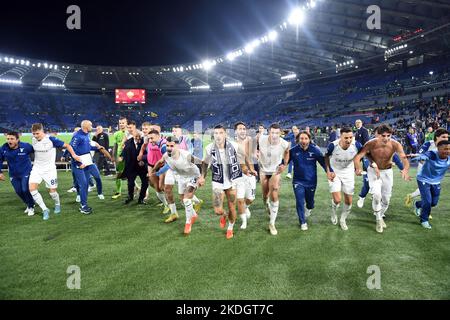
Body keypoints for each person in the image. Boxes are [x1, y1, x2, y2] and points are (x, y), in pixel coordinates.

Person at [354, 124, 410, 233]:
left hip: (387, 172)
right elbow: (358, 157)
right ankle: (379, 220)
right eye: (383, 135)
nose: (386, 138)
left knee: (386, 200)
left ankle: (379, 214)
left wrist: (405, 169)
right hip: (373, 172)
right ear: (377, 135)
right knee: (376, 195)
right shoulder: (370, 144)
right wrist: (358, 168)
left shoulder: (395, 144)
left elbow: (403, 158)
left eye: (388, 135)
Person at [152, 136, 205, 235]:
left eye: (172, 146)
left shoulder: (186, 155)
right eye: (167, 145)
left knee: (186, 199)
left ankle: (188, 223)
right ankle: (194, 213)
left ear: (177, 146)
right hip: (181, 177)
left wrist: (202, 177)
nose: (169, 148)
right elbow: (160, 162)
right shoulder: (166, 155)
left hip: (193, 176)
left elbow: (202, 163)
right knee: (182, 199)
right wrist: (154, 170)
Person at [29, 123, 80, 220]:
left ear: (42, 131)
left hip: (49, 170)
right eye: (33, 134)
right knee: (32, 189)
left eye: (37, 133)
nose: (35, 136)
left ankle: (57, 204)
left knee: (52, 192)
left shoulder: (51, 139)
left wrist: (73, 155)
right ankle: (45, 209)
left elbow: (68, 146)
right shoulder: (33, 139)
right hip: (37, 169)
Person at [202, 125, 242, 239]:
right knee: (217, 210)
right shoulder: (209, 148)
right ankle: (223, 215)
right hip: (217, 180)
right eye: (216, 133)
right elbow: (205, 163)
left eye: (220, 133)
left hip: (232, 179)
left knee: (232, 207)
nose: (218, 135)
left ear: (225, 134)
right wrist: (202, 177)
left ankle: (230, 228)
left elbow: (244, 156)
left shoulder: (234, 145)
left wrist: (248, 168)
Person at [70, 120, 112, 214]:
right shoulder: (77, 136)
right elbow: (71, 149)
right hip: (79, 164)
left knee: (96, 177)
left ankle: (98, 193)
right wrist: (78, 163)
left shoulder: (86, 135)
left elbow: (86, 147)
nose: (92, 126)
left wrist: (98, 148)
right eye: (90, 125)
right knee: (83, 184)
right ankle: (83, 206)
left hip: (88, 162)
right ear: (85, 126)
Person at [325, 127, 362, 231]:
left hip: (348, 173)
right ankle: (333, 213)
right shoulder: (333, 145)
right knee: (337, 199)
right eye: (346, 138)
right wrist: (328, 171)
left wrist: (358, 168)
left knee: (349, 201)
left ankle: (343, 220)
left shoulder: (357, 145)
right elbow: (326, 157)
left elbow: (360, 156)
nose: (349, 140)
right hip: (335, 173)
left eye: (351, 137)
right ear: (340, 136)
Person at [290, 131, 327, 231]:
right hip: (298, 181)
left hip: (311, 181)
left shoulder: (315, 150)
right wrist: (280, 167)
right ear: (298, 139)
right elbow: (284, 162)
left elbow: (323, 163)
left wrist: (329, 172)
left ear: (309, 139)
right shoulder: (293, 150)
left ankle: (310, 207)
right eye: (301, 138)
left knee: (310, 202)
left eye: (306, 138)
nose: (304, 141)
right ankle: (302, 222)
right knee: (299, 201)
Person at [257, 123, 290, 235]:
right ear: (269, 132)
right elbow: (252, 146)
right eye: (272, 132)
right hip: (263, 170)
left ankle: (272, 223)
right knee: (265, 194)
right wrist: (254, 153)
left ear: (280, 133)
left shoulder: (284, 143)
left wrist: (285, 165)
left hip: (275, 170)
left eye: (277, 133)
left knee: (274, 192)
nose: (274, 135)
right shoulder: (261, 139)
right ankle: (266, 203)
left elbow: (287, 153)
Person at [404, 128, 449, 208]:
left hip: (435, 171)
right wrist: (417, 156)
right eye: (443, 137)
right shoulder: (429, 144)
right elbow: (420, 154)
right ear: (437, 137)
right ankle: (423, 208)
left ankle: (411, 196)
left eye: (447, 137)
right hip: (424, 167)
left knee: (428, 191)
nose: (446, 139)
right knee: (425, 190)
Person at [410, 140, 450, 229]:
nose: (447, 151)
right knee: (427, 201)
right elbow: (426, 155)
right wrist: (421, 158)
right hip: (423, 179)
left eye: (449, 149)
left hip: (436, 181)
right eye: (445, 149)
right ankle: (424, 220)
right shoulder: (433, 153)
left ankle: (417, 204)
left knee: (433, 203)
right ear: (438, 149)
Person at [0, 131, 35, 215]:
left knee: (25, 189)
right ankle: (29, 204)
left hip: (26, 172)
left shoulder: (26, 146)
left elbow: (37, 152)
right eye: (8, 139)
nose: (9, 141)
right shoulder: (4, 148)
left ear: (17, 139)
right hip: (13, 174)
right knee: (19, 191)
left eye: (12, 139)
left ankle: (31, 207)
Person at [234, 122, 258, 230]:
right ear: (235, 131)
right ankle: (244, 222)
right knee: (239, 199)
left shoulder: (250, 141)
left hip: (248, 173)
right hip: (237, 175)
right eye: (240, 129)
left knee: (250, 198)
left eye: (244, 128)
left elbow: (249, 158)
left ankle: (246, 206)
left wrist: (251, 170)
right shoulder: (231, 144)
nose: (242, 130)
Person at [121, 129, 149, 205]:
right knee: (130, 183)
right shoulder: (128, 142)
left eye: (139, 136)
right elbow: (124, 152)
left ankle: (141, 199)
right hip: (131, 167)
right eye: (136, 136)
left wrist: (144, 161)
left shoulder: (145, 142)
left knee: (145, 183)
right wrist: (121, 157)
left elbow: (148, 154)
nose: (138, 138)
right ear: (133, 136)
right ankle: (130, 197)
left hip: (142, 167)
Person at [112, 117, 129, 200]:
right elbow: (115, 146)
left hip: (129, 156)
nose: (121, 124)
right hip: (119, 157)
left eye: (123, 123)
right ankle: (118, 191)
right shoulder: (116, 134)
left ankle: (133, 191)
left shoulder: (130, 133)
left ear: (126, 123)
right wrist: (113, 157)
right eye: (120, 123)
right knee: (118, 173)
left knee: (131, 174)